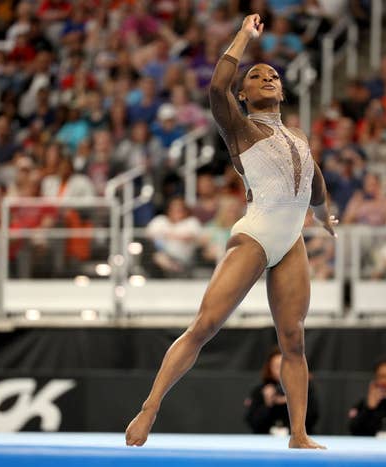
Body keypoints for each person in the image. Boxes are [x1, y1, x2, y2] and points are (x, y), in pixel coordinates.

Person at [125, 14, 335, 450]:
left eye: (273, 74)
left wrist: (323, 212)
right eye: (257, 76)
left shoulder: (296, 133)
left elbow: (313, 175)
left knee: (293, 340)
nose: (268, 77)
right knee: (204, 326)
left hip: (290, 240)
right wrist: (243, 36)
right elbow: (216, 87)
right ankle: (149, 408)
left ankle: (298, 433)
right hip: (256, 236)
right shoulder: (240, 128)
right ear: (243, 93)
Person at [245, 347, 319, 435]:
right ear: (270, 368)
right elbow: (254, 423)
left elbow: (312, 420)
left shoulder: (305, 389)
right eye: (277, 367)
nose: (282, 371)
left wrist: (293, 401)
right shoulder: (262, 390)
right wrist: (267, 403)